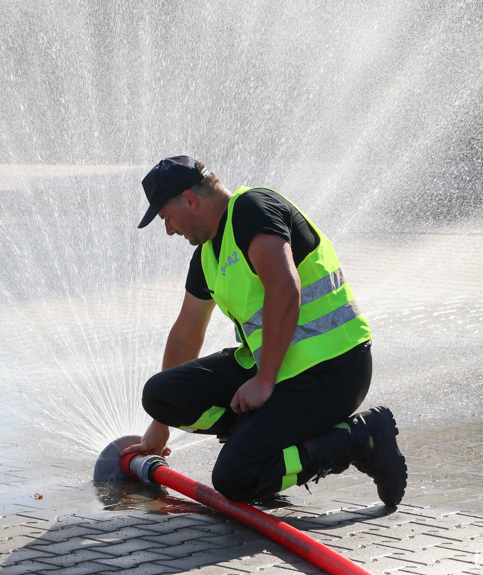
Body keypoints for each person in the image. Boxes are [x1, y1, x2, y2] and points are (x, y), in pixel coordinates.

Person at [120, 155, 407, 506]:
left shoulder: (252, 209)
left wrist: (264, 380)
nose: (169, 230)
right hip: (280, 370)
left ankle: (359, 438)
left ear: (190, 200)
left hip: (333, 371)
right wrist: (159, 424)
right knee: (161, 394)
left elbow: (285, 287)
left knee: (234, 478)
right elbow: (185, 335)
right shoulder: (207, 255)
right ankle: (257, 436)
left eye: (166, 217)